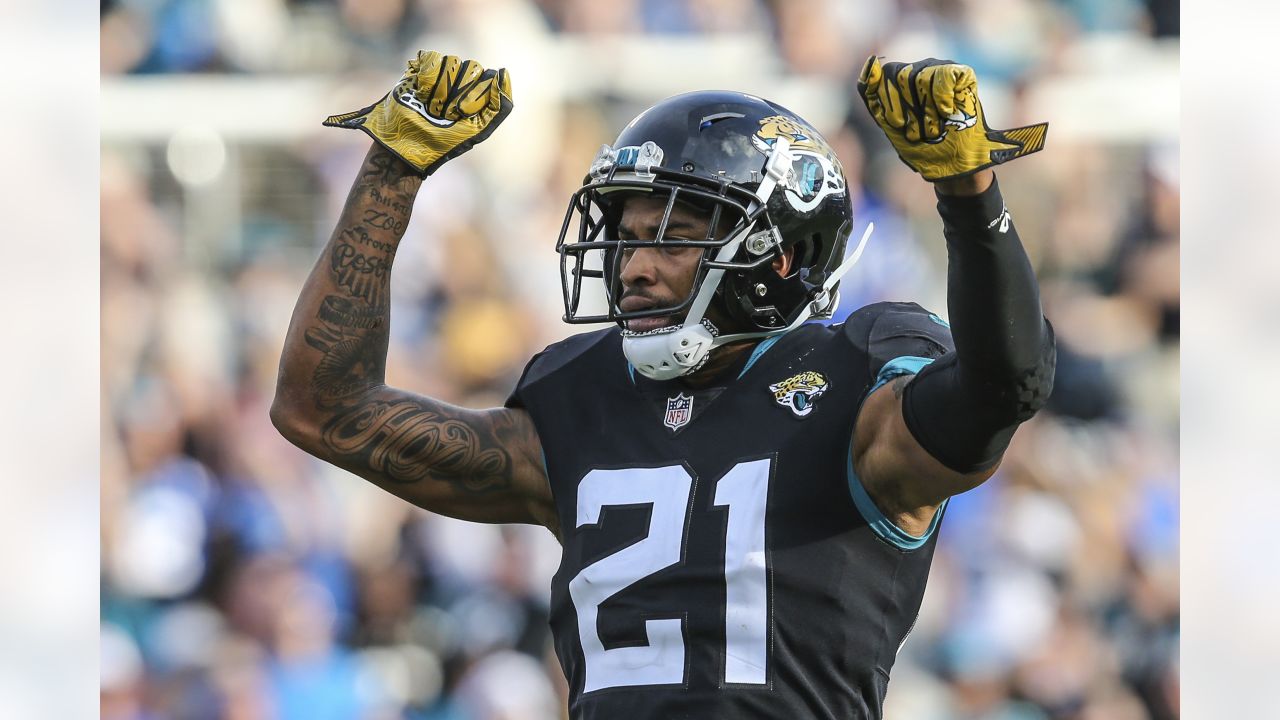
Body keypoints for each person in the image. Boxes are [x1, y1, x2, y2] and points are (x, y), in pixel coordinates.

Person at [271, 50, 1056, 720]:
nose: (635, 266)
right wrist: (392, 168)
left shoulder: (856, 382)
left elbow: (1005, 385)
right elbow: (322, 408)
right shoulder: (576, 398)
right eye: (626, 237)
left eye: (672, 237)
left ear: (778, 257)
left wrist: (968, 194)